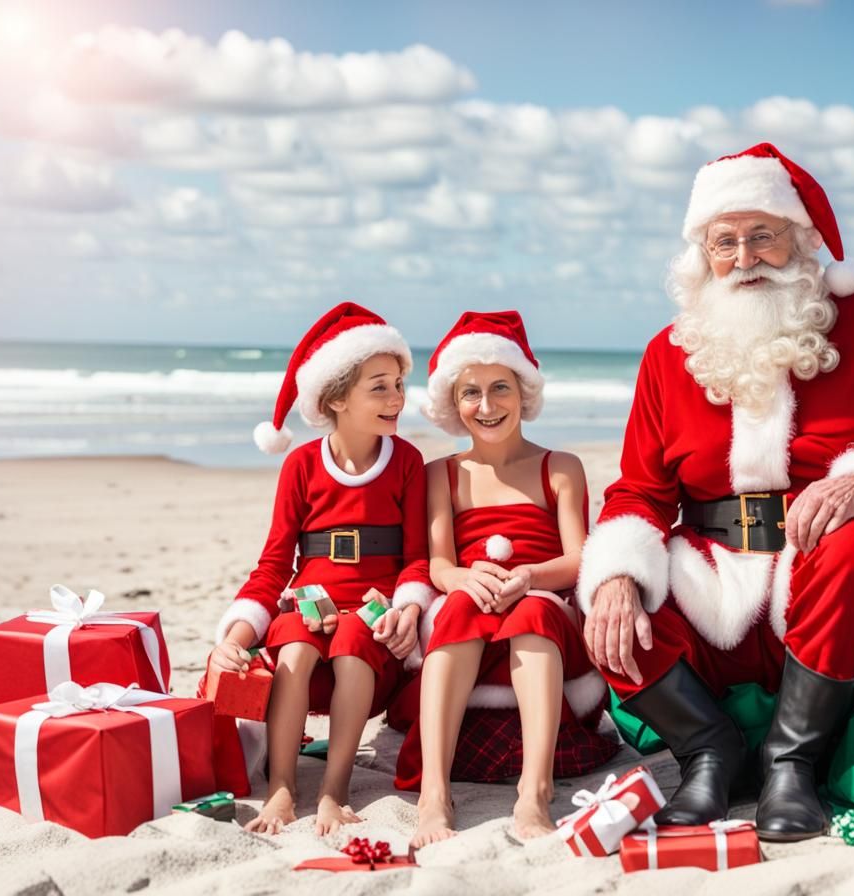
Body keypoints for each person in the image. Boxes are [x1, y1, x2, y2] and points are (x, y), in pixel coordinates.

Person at [576, 143, 854, 841]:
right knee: (615, 600)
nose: (745, 255)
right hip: (713, 580)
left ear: (803, 239)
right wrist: (616, 578)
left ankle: (793, 765)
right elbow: (639, 489)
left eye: (763, 234)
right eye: (724, 241)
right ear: (703, 255)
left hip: (830, 579)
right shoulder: (670, 353)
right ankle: (709, 754)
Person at [210, 302, 435, 835]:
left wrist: (406, 608)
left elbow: (416, 561)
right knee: (294, 642)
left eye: (400, 383)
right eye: (379, 386)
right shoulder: (301, 465)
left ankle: (334, 788)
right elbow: (272, 565)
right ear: (336, 399)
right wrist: (236, 635)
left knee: (356, 638)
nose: (397, 397)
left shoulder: (406, 464)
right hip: (305, 613)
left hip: (374, 623)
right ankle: (283, 786)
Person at [395, 310, 613, 848]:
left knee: (536, 608)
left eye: (500, 389)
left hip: (541, 608)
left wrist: (529, 576)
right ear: (453, 401)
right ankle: (433, 795)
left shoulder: (560, 467)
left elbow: (578, 557)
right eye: (471, 393)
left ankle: (534, 791)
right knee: (459, 608)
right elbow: (439, 563)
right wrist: (464, 579)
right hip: (472, 606)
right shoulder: (439, 474)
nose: (487, 407)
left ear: (524, 393)